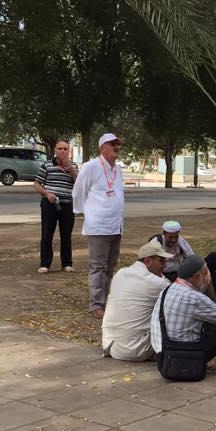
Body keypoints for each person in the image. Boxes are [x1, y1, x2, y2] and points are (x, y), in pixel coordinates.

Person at [150, 255, 216, 372]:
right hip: (186, 358)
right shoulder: (195, 298)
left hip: (164, 354)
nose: (208, 277)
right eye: (206, 274)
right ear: (197, 277)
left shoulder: (167, 290)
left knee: (214, 320)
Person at [72, 133, 125, 319]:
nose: (117, 147)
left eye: (118, 144)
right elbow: (78, 191)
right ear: (102, 148)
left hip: (115, 225)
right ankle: (95, 305)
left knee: (110, 267)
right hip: (99, 226)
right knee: (98, 267)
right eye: (112, 144)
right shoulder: (91, 166)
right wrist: (82, 211)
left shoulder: (118, 170)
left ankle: (106, 301)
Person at [101, 240, 173, 362]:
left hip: (110, 346)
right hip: (135, 350)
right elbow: (176, 297)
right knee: (176, 314)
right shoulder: (158, 283)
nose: (165, 265)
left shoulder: (120, 273)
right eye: (161, 261)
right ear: (147, 261)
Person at [34, 140, 78, 274]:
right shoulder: (47, 165)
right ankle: (45, 264)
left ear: (69, 151)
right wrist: (47, 193)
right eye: (60, 148)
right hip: (49, 204)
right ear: (55, 150)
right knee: (47, 234)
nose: (63, 151)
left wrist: (69, 167)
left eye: (65, 149)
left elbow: (79, 182)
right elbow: (37, 184)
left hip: (67, 204)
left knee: (66, 235)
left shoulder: (73, 166)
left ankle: (67, 263)